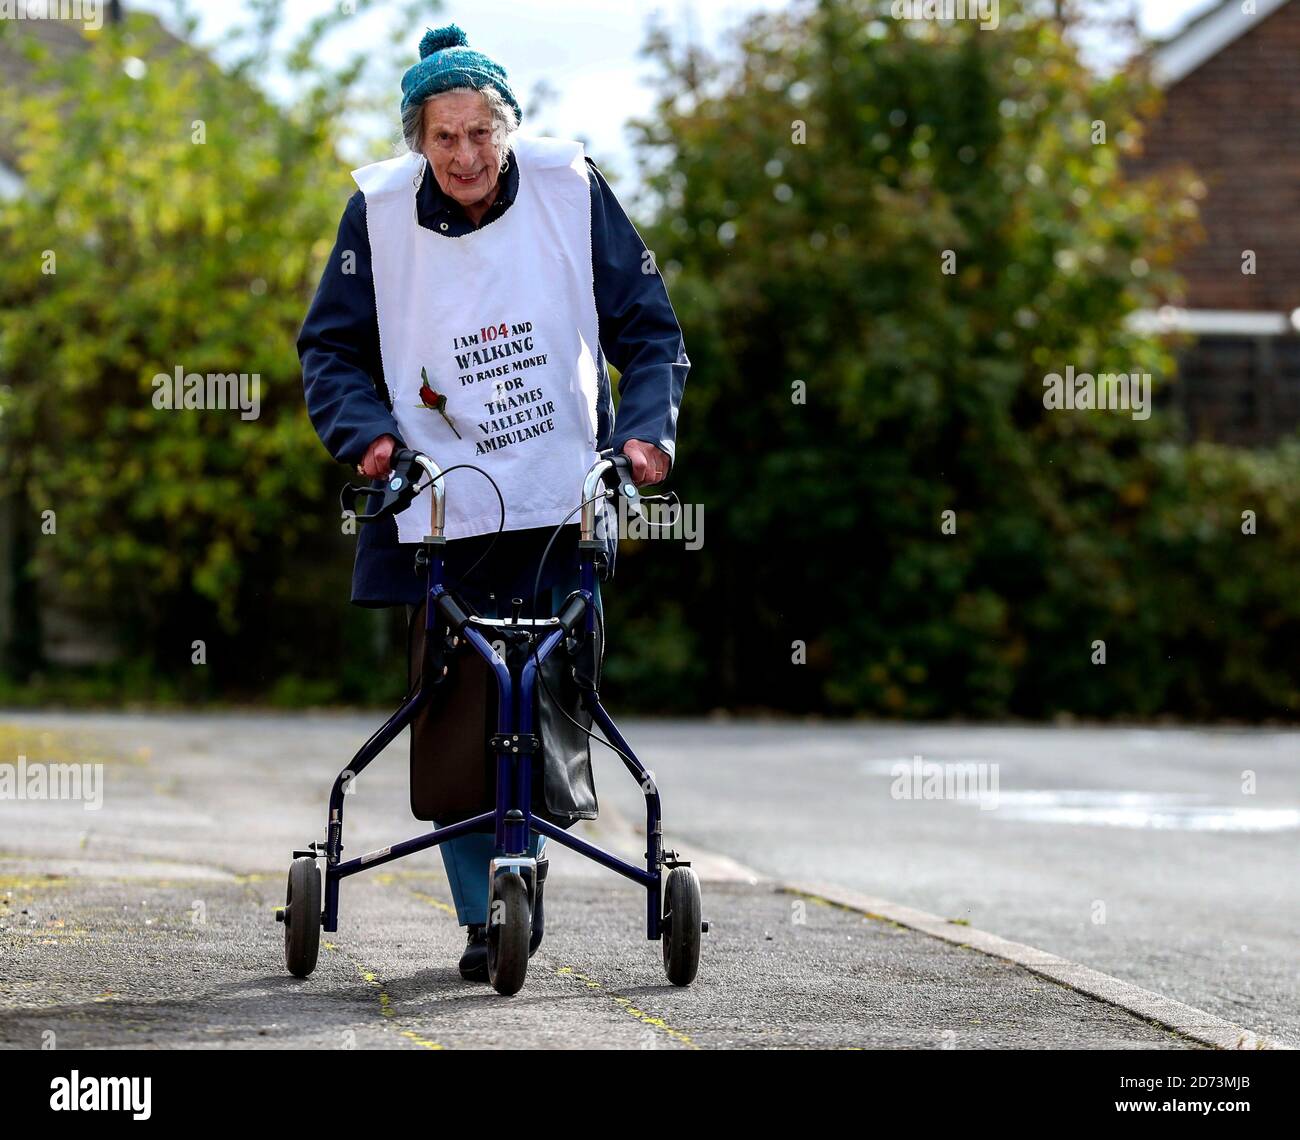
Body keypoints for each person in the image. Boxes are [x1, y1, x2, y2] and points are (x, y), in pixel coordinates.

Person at [297, 23, 688, 982]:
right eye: (445, 138)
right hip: (437, 508)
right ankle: (487, 916)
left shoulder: (570, 188)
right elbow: (331, 351)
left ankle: (521, 876)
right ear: (416, 141)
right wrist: (369, 438)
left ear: (508, 129)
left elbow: (647, 327)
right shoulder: (378, 216)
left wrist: (646, 429)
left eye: (482, 134)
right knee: (461, 711)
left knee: (546, 697)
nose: (467, 157)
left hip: (560, 497)